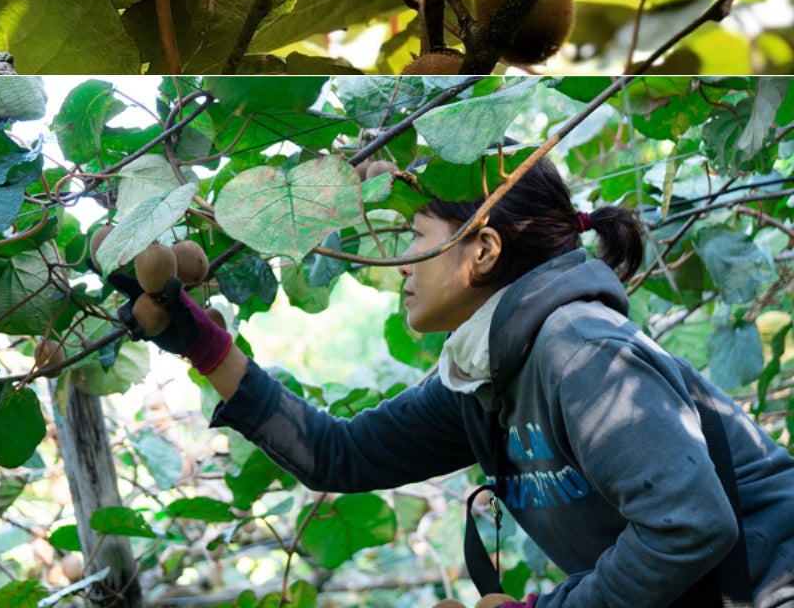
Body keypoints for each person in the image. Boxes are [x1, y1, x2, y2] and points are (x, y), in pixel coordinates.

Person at [116, 157, 794, 608]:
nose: (401, 267)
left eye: (416, 240)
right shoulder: (484, 375)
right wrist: (203, 344)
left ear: (485, 251)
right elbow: (339, 454)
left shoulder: (579, 349)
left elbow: (690, 526)